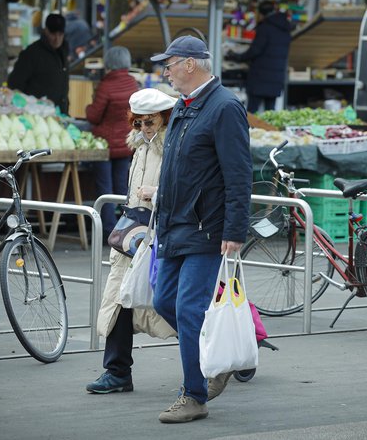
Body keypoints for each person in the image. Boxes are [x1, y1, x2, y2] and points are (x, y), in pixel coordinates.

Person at [149, 36, 252, 423]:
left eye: (169, 64)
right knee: (163, 303)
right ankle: (215, 356)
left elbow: (239, 174)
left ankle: (194, 395)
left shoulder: (224, 107)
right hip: (177, 225)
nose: (167, 72)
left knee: (189, 308)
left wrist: (235, 229)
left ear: (190, 64)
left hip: (207, 229)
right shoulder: (185, 105)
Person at [86, 88, 178, 394]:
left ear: (165, 118)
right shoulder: (140, 148)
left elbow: (186, 191)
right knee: (119, 300)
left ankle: (227, 349)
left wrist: (157, 192)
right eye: (137, 123)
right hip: (134, 238)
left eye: (148, 122)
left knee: (180, 305)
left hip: (166, 237)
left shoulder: (177, 147)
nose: (142, 129)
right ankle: (117, 371)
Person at [85, 46, 140, 236]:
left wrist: (87, 108)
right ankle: (126, 229)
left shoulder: (105, 86)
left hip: (105, 145)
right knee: (122, 188)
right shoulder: (133, 84)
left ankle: (108, 229)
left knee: (105, 189)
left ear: (109, 63)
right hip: (126, 144)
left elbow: (94, 115)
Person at [226, 0, 291, 113]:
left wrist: (236, 57)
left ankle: (251, 131)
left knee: (252, 113)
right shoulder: (285, 28)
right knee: (270, 114)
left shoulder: (265, 28)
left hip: (260, 78)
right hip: (276, 78)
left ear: (260, 13)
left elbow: (255, 51)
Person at [7, 13, 70, 114]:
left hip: (59, 113)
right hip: (36, 114)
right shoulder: (31, 53)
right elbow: (15, 84)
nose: (57, 39)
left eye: (60, 34)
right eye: (53, 34)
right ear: (46, 31)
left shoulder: (63, 51)